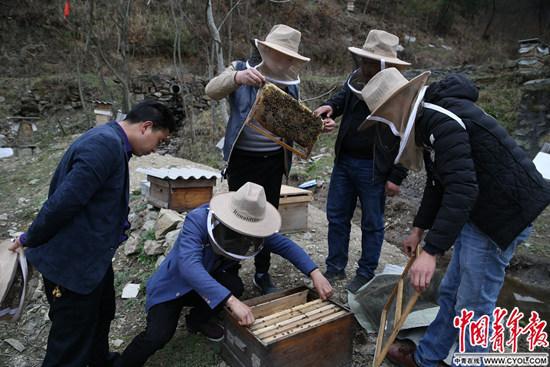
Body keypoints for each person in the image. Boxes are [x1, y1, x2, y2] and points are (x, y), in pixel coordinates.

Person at [357, 68, 550, 366]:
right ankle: (427, 357)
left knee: (473, 305)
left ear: (399, 103)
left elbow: (461, 189)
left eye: (386, 114)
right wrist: (419, 229)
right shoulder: (429, 119)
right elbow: (439, 181)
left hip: (502, 213)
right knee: (451, 292)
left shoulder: (441, 119)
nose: (388, 123)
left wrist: (432, 251)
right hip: (483, 208)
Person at [8, 100, 176, 367]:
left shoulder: (114, 142)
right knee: (70, 341)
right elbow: (63, 203)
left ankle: (99, 361)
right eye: (160, 139)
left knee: (101, 314)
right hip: (72, 263)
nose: (157, 147)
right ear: (146, 127)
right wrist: (29, 238)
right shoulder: (104, 146)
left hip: (92, 260)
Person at [113, 182, 333, 367]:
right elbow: (189, 267)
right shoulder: (198, 220)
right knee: (157, 336)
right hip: (172, 287)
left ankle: (197, 321)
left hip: (209, 284)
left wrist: (314, 272)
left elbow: (283, 245)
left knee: (234, 286)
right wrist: (231, 301)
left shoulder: (255, 226)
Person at [205, 24, 332, 294]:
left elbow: (298, 123)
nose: (283, 60)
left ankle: (262, 272)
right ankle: (229, 268)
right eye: (279, 53)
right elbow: (211, 90)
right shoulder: (239, 67)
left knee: (268, 217)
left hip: (274, 161)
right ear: (266, 49)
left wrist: (318, 125)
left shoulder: (291, 84)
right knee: (235, 214)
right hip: (242, 159)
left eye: (289, 56)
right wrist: (237, 78)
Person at [313, 30, 410, 293]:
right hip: (344, 161)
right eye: (364, 61)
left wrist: (396, 175)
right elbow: (343, 99)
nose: (366, 67)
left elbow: (408, 136)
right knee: (336, 216)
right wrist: (329, 107)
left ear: (386, 65)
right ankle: (334, 267)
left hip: (374, 168)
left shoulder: (400, 92)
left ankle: (365, 273)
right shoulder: (355, 79)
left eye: (372, 63)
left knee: (372, 222)